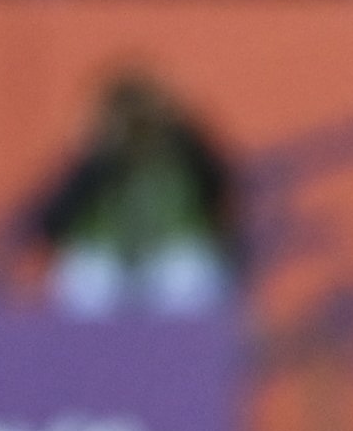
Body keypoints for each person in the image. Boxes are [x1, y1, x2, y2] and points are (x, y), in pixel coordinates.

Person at [27, 69, 242, 319]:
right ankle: (88, 350)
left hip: (168, 255)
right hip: (111, 259)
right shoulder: (96, 162)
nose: (136, 128)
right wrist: (95, 161)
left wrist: (184, 133)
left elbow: (217, 192)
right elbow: (53, 224)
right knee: (85, 278)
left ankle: (187, 349)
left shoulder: (181, 151)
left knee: (193, 272)